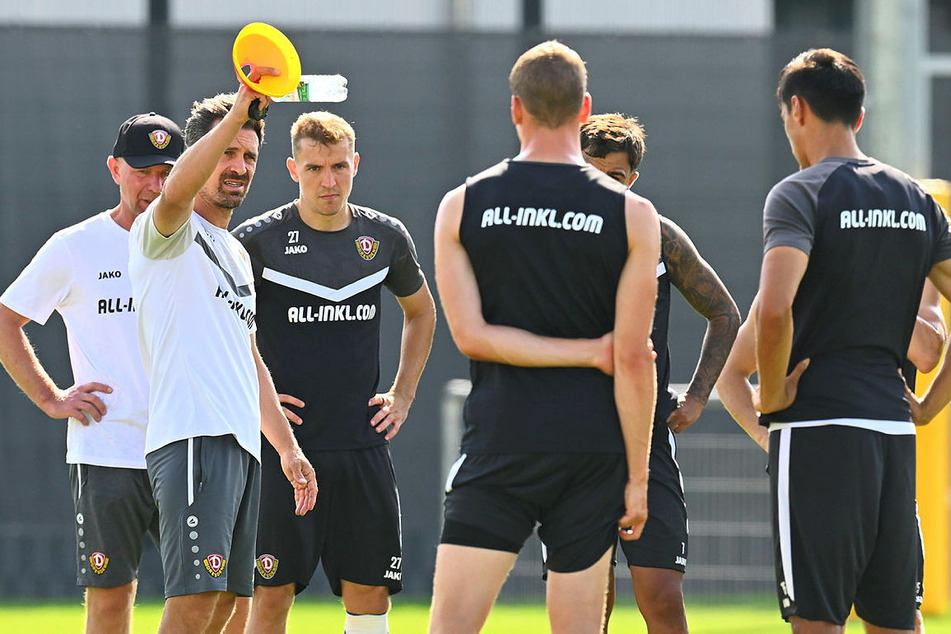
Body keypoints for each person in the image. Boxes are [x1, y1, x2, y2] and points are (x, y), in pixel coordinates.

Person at [429, 41, 661, 634]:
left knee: (450, 626)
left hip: (500, 442)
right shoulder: (633, 215)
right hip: (593, 450)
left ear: (516, 109)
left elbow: (470, 337)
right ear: (585, 109)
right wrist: (639, 478)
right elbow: (635, 358)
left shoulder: (462, 205)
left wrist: (578, 354)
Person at [755, 48, 951, 633]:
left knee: (816, 620)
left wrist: (770, 396)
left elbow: (773, 310)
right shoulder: (917, 200)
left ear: (796, 110)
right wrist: (930, 404)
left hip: (818, 431)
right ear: (859, 117)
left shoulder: (797, 193)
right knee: (897, 620)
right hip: (893, 434)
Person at [128, 74, 318, 634]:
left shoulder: (235, 251)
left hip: (242, 446)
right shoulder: (167, 229)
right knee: (195, 600)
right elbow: (177, 189)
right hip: (191, 438)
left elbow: (248, 356)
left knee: (232, 607)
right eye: (228, 150)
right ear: (199, 154)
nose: (239, 165)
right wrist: (240, 110)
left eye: (250, 154)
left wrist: (286, 446)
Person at [234, 111, 436, 634]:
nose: (329, 180)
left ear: (356, 165)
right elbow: (230, 331)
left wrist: (403, 393)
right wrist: (262, 398)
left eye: (340, 167)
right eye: (315, 167)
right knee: (271, 592)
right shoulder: (257, 240)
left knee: (368, 594)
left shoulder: (384, 237)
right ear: (292, 168)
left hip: (361, 446)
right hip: (285, 448)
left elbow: (422, 312)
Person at [0, 113, 182, 634]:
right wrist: (51, 397)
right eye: (143, 171)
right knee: (109, 599)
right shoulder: (75, 246)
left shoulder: (198, 243)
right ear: (114, 169)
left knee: (214, 595)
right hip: (109, 453)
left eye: (168, 171)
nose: (155, 185)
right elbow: (6, 319)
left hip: (188, 446)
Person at [579, 113, 740, 633]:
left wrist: (695, 397)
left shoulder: (657, 234)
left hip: (646, 439)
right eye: (590, 170)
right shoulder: (550, 240)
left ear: (633, 180)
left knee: (663, 597)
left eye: (616, 175)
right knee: (586, 601)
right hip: (573, 438)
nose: (604, 183)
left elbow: (724, 313)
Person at [719, 285, 945, 634]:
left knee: (904, 621)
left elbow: (928, 354)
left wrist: (867, 281)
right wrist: (768, 438)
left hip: (887, 462)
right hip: (816, 467)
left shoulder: (915, 264)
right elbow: (731, 374)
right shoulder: (800, 275)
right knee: (818, 622)